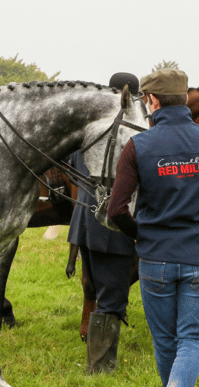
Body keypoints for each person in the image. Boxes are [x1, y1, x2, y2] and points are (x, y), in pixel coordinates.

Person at [107, 68, 199, 387]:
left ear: (152, 100)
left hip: (156, 259)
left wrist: (144, 235)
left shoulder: (138, 146)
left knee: (165, 342)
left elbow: (116, 210)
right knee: (191, 340)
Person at [67, 73, 140, 374]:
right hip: (114, 224)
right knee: (112, 293)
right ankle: (99, 367)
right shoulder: (130, 129)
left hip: (85, 220)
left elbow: (72, 168)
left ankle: (99, 362)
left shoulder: (89, 126)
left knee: (95, 285)